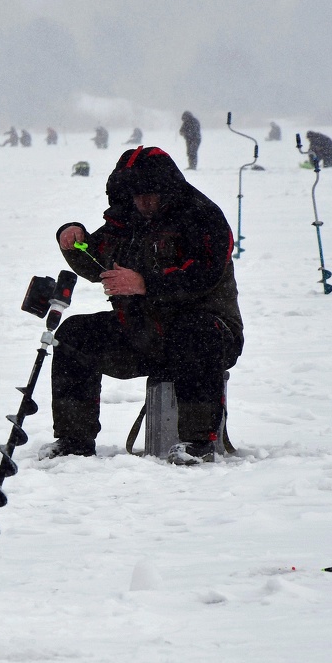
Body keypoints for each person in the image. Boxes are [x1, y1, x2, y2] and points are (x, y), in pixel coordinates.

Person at [49, 146, 243, 464]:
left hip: (211, 335)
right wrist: (74, 237)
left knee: (193, 330)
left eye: (149, 195)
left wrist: (144, 284)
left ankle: (199, 443)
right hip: (142, 334)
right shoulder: (127, 221)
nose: (143, 203)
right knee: (74, 333)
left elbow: (202, 277)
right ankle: (74, 441)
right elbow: (95, 258)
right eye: (136, 196)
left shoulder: (202, 217)